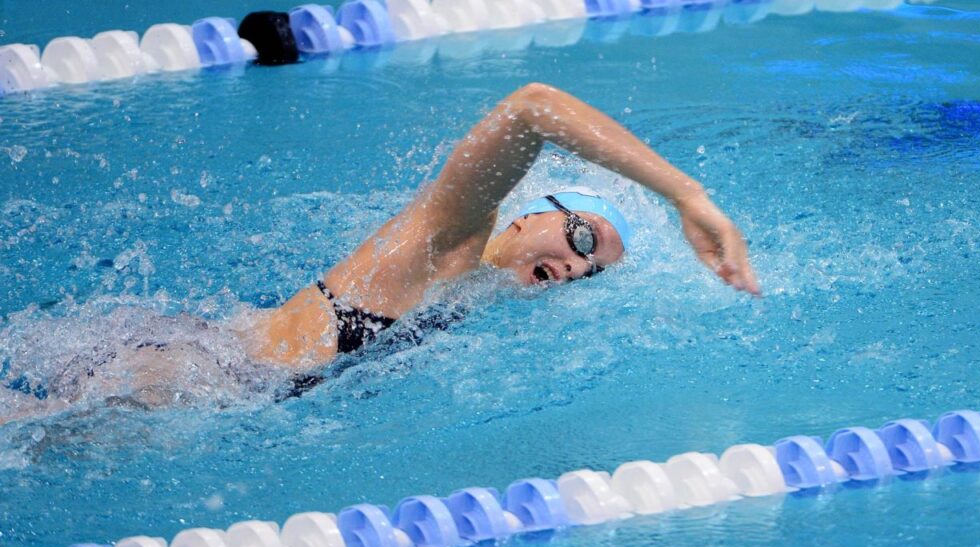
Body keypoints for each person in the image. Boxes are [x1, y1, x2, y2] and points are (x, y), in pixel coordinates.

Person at [245, 82, 760, 372]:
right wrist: (686, 195)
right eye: (584, 238)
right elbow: (532, 107)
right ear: (527, 218)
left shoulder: (463, 302)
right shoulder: (442, 245)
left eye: (591, 270)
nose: (578, 266)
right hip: (196, 375)